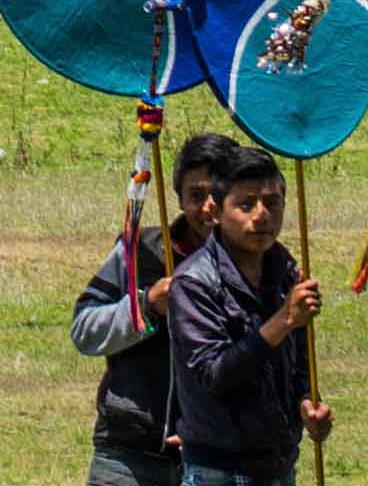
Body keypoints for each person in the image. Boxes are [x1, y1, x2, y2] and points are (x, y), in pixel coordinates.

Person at [72, 131, 250, 486]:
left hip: (221, 459)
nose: (207, 208)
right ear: (179, 199)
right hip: (129, 453)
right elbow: (84, 331)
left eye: (217, 193)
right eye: (195, 195)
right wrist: (146, 306)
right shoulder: (142, 251)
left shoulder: (258, 264)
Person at [170, 149, 329, 486]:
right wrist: (282, 320)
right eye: (246, 204)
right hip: (219, 471)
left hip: (279, 465)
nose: (262, 216)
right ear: (217, 210)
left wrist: (306, 403)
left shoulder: (287, 274)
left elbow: (299, 360)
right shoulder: (193, 282)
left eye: (273, 203)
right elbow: (214, 375)